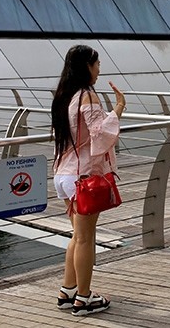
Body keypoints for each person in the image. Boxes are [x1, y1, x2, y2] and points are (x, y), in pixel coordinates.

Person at [51, 45, 126, 316]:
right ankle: (84, 298)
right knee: (86, 239)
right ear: (86, 66)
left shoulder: (64, 95)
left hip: (64, 174)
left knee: (77, 236)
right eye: (96, 65)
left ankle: (67, 290)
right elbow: (99, 133)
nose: (98, 69)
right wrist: (118, 108)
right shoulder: (88, 95)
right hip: (82, 176)